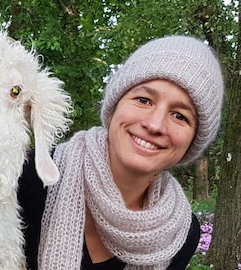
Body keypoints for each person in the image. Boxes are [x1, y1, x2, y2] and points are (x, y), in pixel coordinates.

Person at [18, 35, 224, 270]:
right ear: (115, 104)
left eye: (180, 116)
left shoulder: (180, 234)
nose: (155, 125)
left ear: (194, 140)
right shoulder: (26, 178)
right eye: (143, 100)